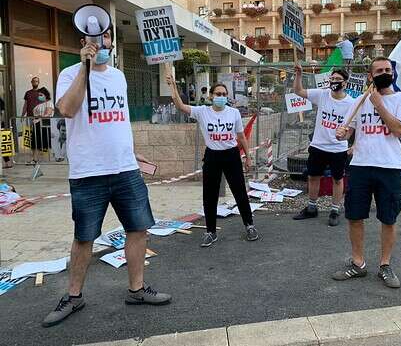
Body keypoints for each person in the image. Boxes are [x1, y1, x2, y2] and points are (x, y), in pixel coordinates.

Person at [42, 29, 171, 328]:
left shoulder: (118, 77)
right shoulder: (69, 74)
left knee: (138, 230)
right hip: (88, 173)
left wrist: (132, 153)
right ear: (82, 44)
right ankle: (73, 297)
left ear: (112, 43)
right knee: (84, 238)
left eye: (107, 38)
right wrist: (85, 70)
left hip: (125, 168)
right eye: (95, 39)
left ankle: (137, 290)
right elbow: (68, 109)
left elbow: (119, 120)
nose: (102, 44)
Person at [332, 57, 401, 288]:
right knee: (355, 216)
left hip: (390, 167)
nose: (384, 73)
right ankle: (358, 263)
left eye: (388, 70)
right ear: (371, 76)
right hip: (360, 165)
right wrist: (343, 133)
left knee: (388, 218)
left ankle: (385, 265)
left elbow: (398, 130)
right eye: (379, 70)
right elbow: (350, 130)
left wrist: (379, 104)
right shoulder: (359, 101)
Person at [166, 72, 259, 247]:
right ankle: (211, 231)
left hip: (231, 155)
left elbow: (241, 137)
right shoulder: (202, 112)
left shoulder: (234, 113)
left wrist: (248, 157)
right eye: (218, 94)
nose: (221, 97)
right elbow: (180, 106)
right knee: (210, 195)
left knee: (239, 192)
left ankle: (249, 225)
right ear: (211, 96)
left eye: (224, 95)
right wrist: (173, 87)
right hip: (212, 156)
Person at [291, 65, 354, 226]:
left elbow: (353, 128)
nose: (334, 82)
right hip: (318, 146)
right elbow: (299, 92)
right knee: (313, 176)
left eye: (338, 80)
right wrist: (298, 75)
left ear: (345, 83)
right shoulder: (322, 95)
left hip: (337, 149)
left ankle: (334, 210)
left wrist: (349, 141)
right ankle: (312, 207)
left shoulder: (351, 104)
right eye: (332, 79)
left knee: (338, 179)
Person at [29, 87, 54, 164]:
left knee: (39, 142)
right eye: (38, 95)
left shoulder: (49, 103)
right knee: (34, 143)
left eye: (41, 94)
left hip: (43, 125)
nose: (39, 96)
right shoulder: (39, 104)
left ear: (45, 95)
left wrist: (39, 118)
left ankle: (36, 159)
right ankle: (34, 158)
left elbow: (48, 114)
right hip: (36, 124)